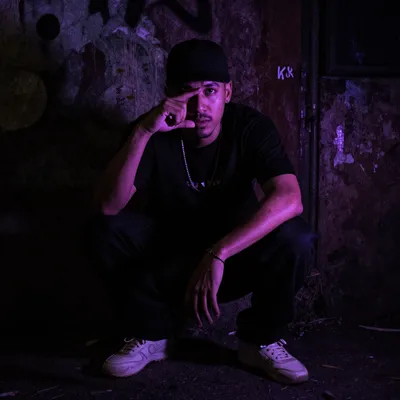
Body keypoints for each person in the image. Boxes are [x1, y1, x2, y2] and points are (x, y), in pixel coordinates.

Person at [89, 39, 315, 385]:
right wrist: (144, 131)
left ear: (227, 92)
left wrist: (219, 252)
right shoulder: (152, 131)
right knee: (102, 230)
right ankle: (151, 333)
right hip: (169, 259)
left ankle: (259, 341)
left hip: (232, 262)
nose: (199, 106)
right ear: (169, 94)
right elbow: (108, 205)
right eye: (186, 92)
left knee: (297, 237)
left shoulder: (249, 127)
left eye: (210, 91)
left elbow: (290, 198)